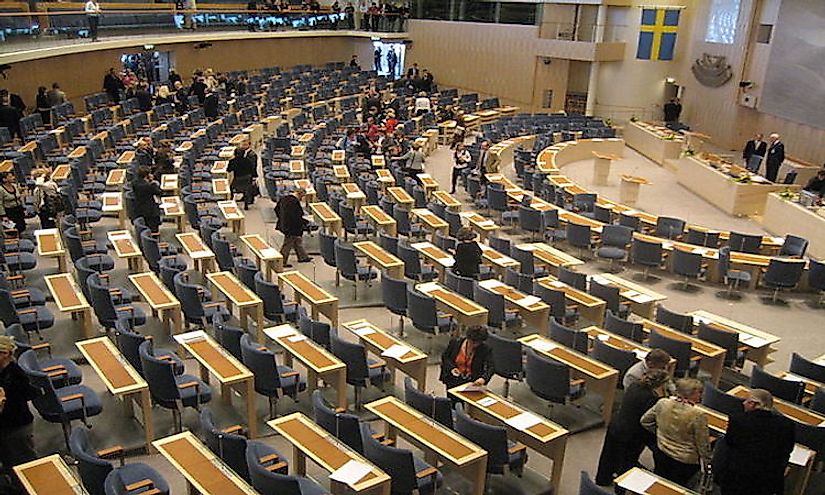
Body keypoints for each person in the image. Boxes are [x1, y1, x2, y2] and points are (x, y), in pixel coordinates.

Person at [595, 369, 670, 486]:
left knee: (608, 456)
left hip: (616, 424)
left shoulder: (634, 386)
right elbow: (650, 419)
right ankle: (622, 487)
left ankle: (602, 480)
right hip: (632, 434)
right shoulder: (653, 399)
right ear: (661, 385)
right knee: (627, 461)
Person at [715, 389, 795, 495]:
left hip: (737, 477)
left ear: (754, 404)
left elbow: (730, 443)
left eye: (746, 401)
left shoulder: (738, 420)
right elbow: (787, 450)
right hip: (768, 480)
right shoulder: (787, 424)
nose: (743, 403)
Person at [641, 378, 711, 486]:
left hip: (662, 450)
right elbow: (702, 444)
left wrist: (660, 433)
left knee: (659, 483)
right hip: (685, 461)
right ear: (690, 394)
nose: (700, 396)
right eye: (699, 393)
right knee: (677, 486)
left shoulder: (662, 403)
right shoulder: (698, 415)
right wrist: (707, 464)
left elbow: (645, 421)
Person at [0, 336, 39, 478]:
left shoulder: (16, 376)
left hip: (17, 427)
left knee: (27, 466)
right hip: (5, 427)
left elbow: (23, 396)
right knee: (9, 462)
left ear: (5, 354)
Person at [439, 325, 493, 390]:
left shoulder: (485, 349)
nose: (475, 345)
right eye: (472, 342)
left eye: (478, 343)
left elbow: (491, 367)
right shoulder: (455, 343)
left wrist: (484, 378)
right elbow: (445, 357)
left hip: (472, 381)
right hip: (454, 378)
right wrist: (452, 368)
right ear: (468, 338)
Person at [275, 189, 312, 267]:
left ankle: (302, 257)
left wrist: (281, 218)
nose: (302, 199)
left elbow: (276, 209)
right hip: (291, 227)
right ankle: (282, 262)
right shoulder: (294, 202)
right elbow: (297, 217)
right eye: (302, 197)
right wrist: (306, 222)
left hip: (284, 224)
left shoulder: (284, 198)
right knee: (287, 244)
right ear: (300, 195)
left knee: (297, 240)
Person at [131, 167, 164, 232]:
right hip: (149, 211)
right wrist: (153, 182)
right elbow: (160, 192)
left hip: (138, 207)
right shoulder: (148, 186)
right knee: (157, 212)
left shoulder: (135, 182)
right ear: (147, 176)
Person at [227, 140, 258, 209]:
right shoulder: (247, 160)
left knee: (230, 186)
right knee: (247, 187)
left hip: (237, 181)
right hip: (247, 181)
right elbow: (252, 169)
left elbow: (228, 170)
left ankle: (230, 200)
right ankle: (246, 203)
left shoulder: (232, 161)